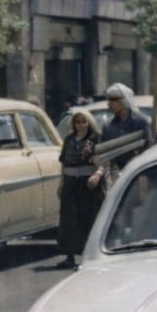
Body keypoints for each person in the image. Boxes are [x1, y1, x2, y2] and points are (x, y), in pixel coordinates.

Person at [55, 108, 104, 270]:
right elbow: (64, 164)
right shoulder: (69, 140)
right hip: (70, 183)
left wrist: (96, 175)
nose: (81, 125)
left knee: (88, 219)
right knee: (69, 220)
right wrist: (61, 184)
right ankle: (70, 257)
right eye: (78, 122)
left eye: (84, 121)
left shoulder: (94, 139)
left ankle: (88, 257)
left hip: (88, 184)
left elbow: (103, 162)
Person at [101, 83, 152, 174]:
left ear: (124, 101)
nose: (109, 103)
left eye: (113, 99)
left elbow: (147, 150)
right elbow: (104, 154)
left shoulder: (140, 122)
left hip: (137, 172)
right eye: (108, 99)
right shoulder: (108, 124)